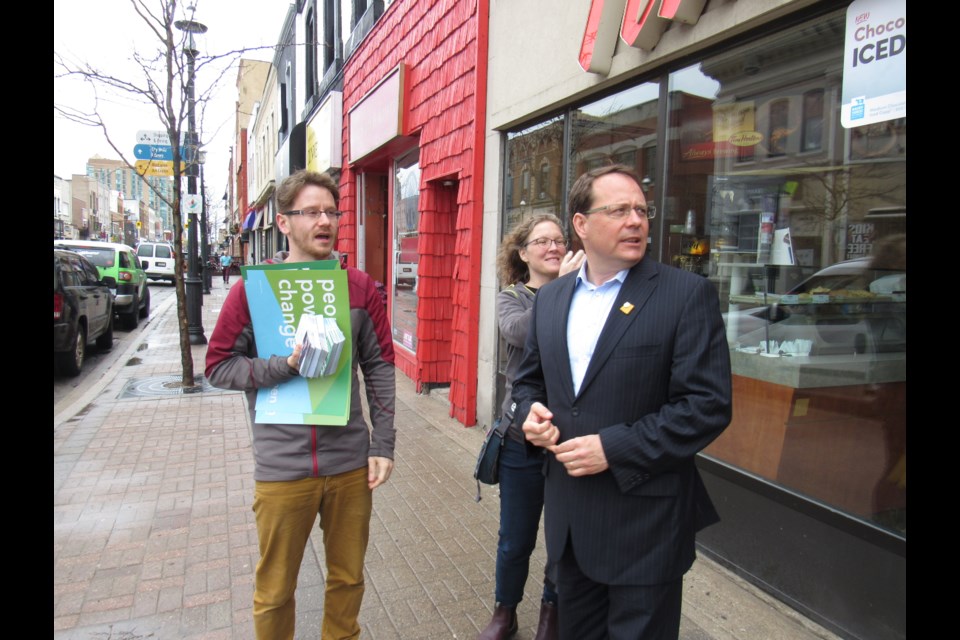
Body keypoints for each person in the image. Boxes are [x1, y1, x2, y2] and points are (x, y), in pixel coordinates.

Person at [513, 164, 732, 640]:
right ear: (581, 224)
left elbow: (707, 406)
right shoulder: (550, 301)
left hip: (645, 527)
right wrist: (529, 416)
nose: (636, 220)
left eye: (641, 210)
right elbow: (528, 383)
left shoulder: (685, 295)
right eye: (618, 210)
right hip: (570, 527)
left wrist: (613, 448)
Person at [205, 169, 396, 640]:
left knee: (348, 580)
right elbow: (217, 366)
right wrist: (285, 365)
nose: (325, 221)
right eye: (311, 212)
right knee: (274, 592)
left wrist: (383, 444)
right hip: (282, 467)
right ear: (284, 222)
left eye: (331, 211)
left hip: (349, 463)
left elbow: (380, 368)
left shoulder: (359, 288)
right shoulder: (252, 290)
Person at [479, 215, 584, 640]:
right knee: (515, 538)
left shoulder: (583, 291)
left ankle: (551, 615)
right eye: (542, 241)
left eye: (559, 240)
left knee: (561, 539)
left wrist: (572, 288)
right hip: (523, 435)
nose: (553, 247)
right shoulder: (513, 298)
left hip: (569, 436)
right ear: (523, 253)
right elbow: (520, 333)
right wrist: (562, 289)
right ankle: (505, 612)